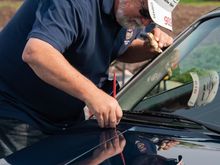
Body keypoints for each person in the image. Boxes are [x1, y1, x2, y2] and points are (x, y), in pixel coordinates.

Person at [0, 0, 179, 158]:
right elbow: (37, 53)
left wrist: (149, 49)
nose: (146, 23)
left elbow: (120, 48)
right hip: (18, 112)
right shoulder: (76, 3)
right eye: (146, 13)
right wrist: (94, 94)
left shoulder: (129, 13)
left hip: (66, 119)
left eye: (153, 19)